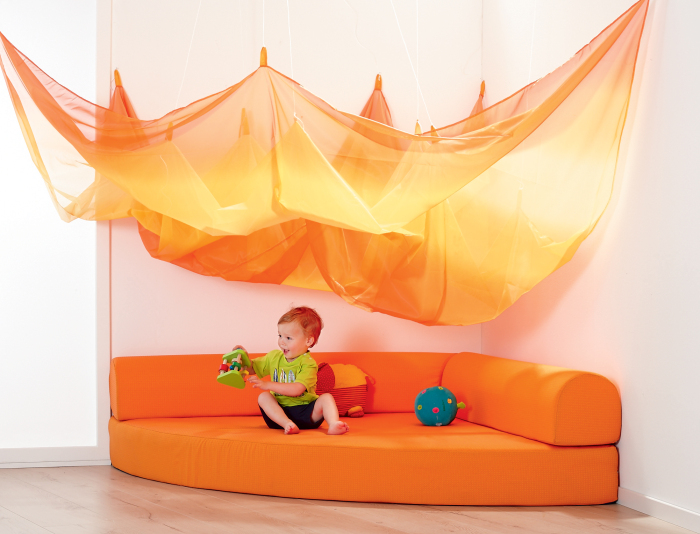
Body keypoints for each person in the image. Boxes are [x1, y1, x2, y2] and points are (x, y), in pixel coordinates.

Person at [232, 306, 349, 436]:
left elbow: (297, 389)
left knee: (326, 398)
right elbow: (252, 368)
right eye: (280, 335)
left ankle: (333, 424)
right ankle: (287, 424)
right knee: (263, 397)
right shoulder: (274, 357)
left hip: (306, 413)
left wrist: (267, 384)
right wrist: (243, 359)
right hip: (278, 414)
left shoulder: (308, 364)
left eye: (288, 338)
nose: (282, 342)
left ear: (308, 341)